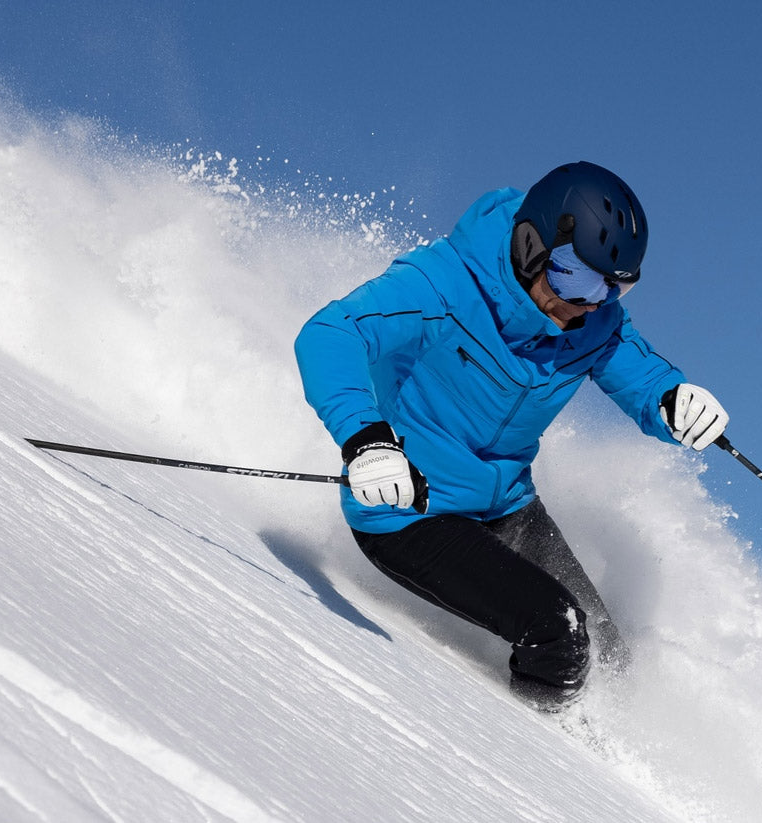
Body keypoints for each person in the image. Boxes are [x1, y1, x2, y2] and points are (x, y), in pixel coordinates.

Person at [294, 161, 729, 706]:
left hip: (507, 508)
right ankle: (540, 768)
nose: (589, 301)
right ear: (530, 246)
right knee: (560, 634)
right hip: (413, 512)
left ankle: (610, 757)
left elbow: (638, 373)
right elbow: (331, 333)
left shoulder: (592, 320)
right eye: (577, 274)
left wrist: (672, 400)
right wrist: (366, 440)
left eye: (613, 286)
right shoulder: (444, 284)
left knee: (610, 655)